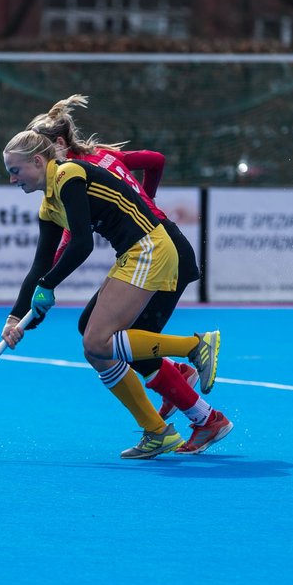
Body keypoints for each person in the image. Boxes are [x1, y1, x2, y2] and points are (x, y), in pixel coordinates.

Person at [25, 95, 233, 454]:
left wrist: (49, 281)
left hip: (159, 246)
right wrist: (147, 200)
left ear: (57, 144)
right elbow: (155, 160)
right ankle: (176, 387)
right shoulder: (104, 155)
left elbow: (74, 238)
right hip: (155, 238)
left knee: (116, 342)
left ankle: (203, 415)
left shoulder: (70, 172)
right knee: (94, 330)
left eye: (38, 150)